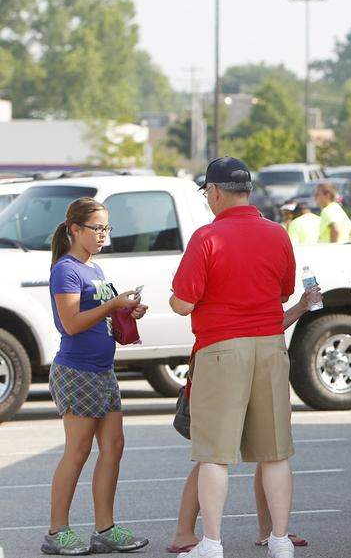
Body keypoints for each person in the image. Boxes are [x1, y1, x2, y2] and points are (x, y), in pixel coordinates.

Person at [168, 156, 298, 558]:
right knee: (274, 452)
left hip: (221, 348)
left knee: (214, 454)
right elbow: (284, 291)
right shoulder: (277, 234)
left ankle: (212, 543)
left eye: (207, 191)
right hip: (270, 345)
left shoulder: (207, 237)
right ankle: (279, 540)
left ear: (217, 191)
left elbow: (183, 303)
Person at [166, 286, 324, 555]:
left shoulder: (229, 249)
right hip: (241, 355)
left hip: (240, 353)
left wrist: (299, 307)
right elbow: (182, 302)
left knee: (247, 451)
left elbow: (272, 319)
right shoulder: (261, 247)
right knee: (227, 453)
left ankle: (269, 531)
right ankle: (191, 532)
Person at [42, 198, 150, 555]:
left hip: (103, 371)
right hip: (76, 371)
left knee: (114, 447)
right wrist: (112, 305)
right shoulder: (66, 270)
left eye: (107, 228)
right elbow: (71, 324)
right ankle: (58, 531)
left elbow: (104, 321)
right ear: (75, 230)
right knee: (77, 451)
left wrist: (127, 313)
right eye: (97, 228)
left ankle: (105, 528)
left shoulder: (96, 270)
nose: (104, 235)